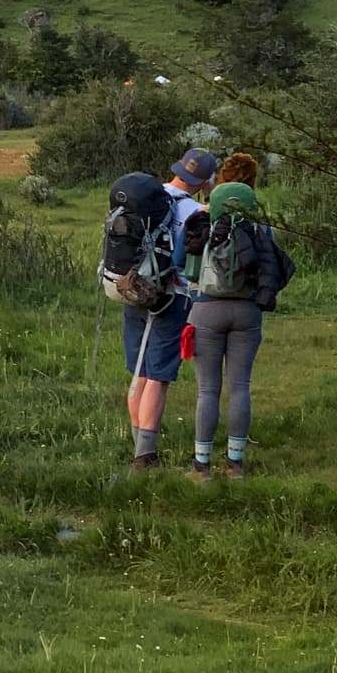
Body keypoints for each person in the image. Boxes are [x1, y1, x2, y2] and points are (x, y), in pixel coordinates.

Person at [184, 169, 289, 481]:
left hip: (206, 312)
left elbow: (184, 266)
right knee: (240, 386)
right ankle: (235, 464)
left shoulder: (203, 226)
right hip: (247, 312)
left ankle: (201, 466)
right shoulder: (261, 231)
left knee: (208, 390)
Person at [124, 146, 217, 473]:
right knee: (157, 376)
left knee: (138, 372)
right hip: (170, 295)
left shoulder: (142, 197)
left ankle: (139, 447)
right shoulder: (196, 210)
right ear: (204, 180)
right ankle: (145, 456)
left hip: (133, 289)